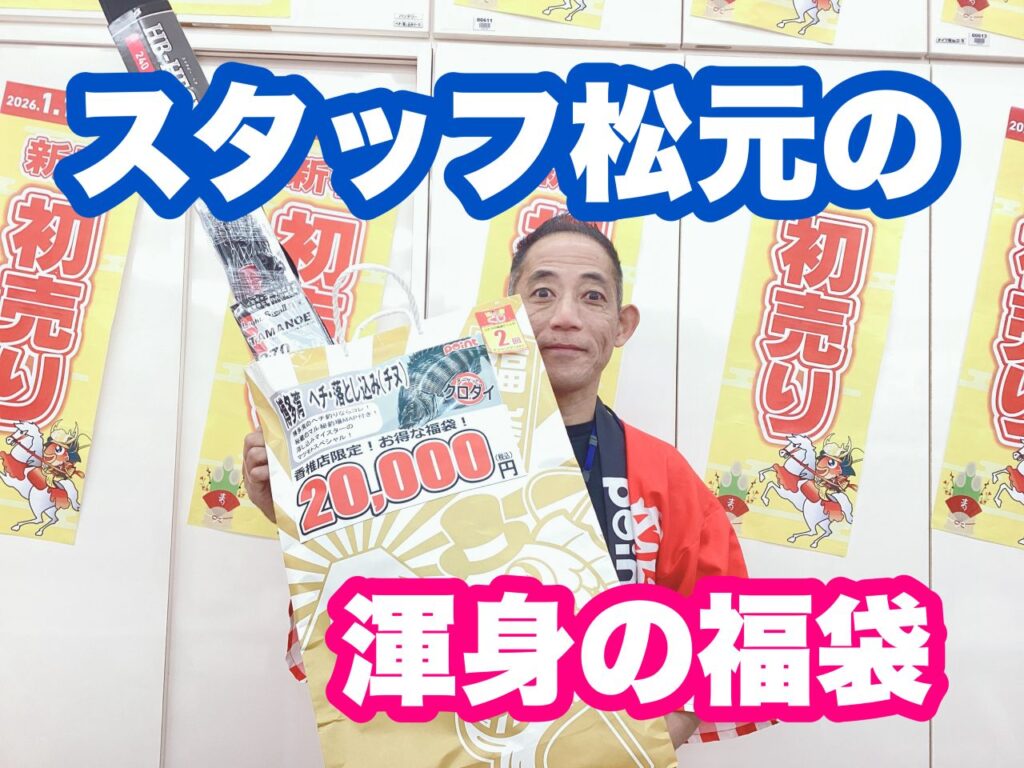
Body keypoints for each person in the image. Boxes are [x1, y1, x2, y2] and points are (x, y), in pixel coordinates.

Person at [242, 214, 752, 747]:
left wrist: (641, 744)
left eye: (593, 297)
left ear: (622, 325)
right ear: (506, 312)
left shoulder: (661, 474)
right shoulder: (420, 454)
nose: (566, 317)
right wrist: (302, 521)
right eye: (542, 293)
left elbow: (727, 635)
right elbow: (353, 622)